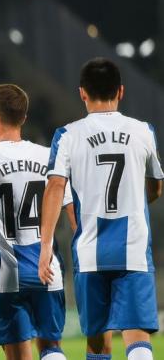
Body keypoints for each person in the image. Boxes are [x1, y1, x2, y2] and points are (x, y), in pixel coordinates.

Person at [39, 58, 163, 360]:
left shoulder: (67, 135)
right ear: (120, 91)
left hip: (90, 250)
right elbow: (157, 187)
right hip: (132, 248)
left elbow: (55, 187)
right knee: (137, 336)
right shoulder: (143, 131)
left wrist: (45, 246)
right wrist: (134, 200)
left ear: (82, 93)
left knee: (98, 342)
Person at [0, 84, 75, 360]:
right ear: (23, 118)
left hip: (6, 273)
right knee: (51, 348)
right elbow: (72, 213)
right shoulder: (50, 156)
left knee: (16, 353)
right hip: (46, 266)